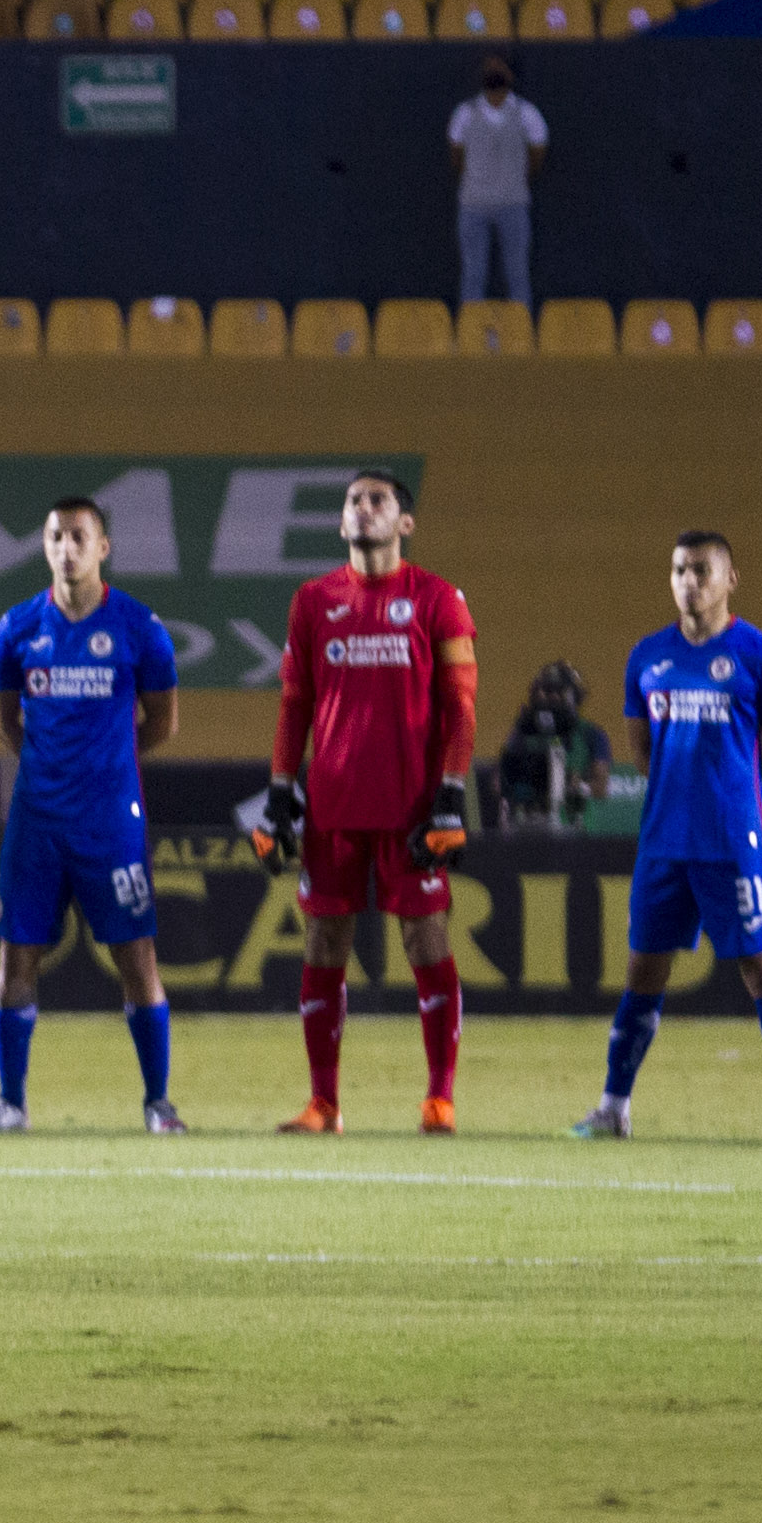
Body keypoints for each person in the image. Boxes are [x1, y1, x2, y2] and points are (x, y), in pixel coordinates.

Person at [570, 532, 762, 1147]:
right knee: (642, 974)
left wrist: (758, 823)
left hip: (732, 844)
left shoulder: (759, 656)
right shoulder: (647, 657)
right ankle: (612, 1108)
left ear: (731, 579)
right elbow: (644, 753)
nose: (689, 581)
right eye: (679, 569)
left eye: (702, 570)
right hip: (663, 846)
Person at [260, 469, 477, 1134]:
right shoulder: (312, 600)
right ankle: (323, 1103)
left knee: (425, 937)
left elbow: (461, 706)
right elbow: (295, 705)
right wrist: (279, 795)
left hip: (410, 808)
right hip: (332, 807)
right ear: (341, 522)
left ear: (404, 524)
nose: (363, 509)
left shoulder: (438, 599)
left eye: (377, 500)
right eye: (354, 501)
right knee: (324, 942)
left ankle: (439, 1098)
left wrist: (450, 795)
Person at [0, 493, 183, 1133]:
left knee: (136, 960)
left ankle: (157, 1103)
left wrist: (107, 765)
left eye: (79, 537)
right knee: (16, 958)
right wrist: (51, 770)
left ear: (103, 548)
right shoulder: (17, 629)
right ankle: (10, 1103)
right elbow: (4, 723)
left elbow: (163, 724)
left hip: (110, 823)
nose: (67, 548)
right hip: (36, 825)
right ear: (45, 546)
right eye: (56, 536)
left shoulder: (139, 628)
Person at [449, 53, 545, 314]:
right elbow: (456, 154)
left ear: (510, 75)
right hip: (473, 206)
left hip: (513, 205)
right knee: (473, 274)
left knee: (517, 274)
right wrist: (479, 178)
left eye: (499, 66)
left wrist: (515, 179)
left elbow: (537, 152)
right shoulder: (465, 113)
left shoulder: (527, 113)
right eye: (489, 66)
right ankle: (471, 335)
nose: (493, 70)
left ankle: (521, 336)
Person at [496, 659, 609, 825]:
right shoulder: (523, 730)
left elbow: (601, 787)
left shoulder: (591, 734)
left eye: (556, 691)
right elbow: (498, 780)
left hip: (572, 823)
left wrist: (577, 786)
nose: (548, 697)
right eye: (543, 690)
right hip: (525, 821)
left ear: (572, 696)